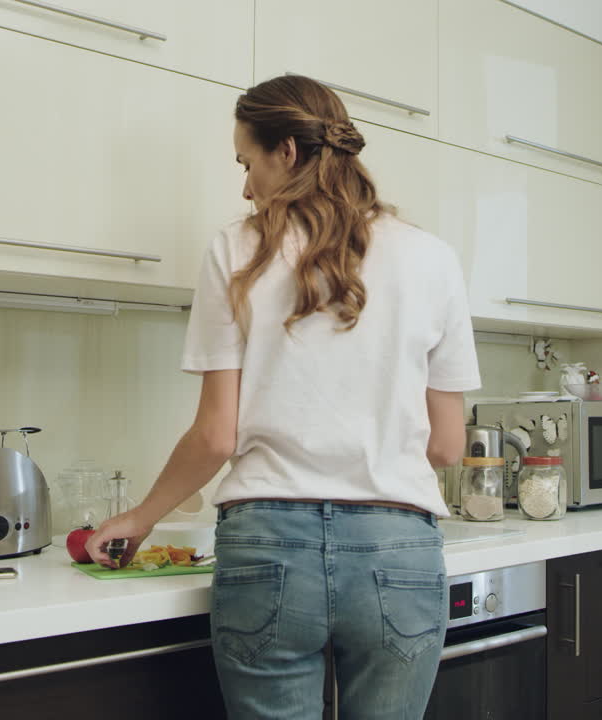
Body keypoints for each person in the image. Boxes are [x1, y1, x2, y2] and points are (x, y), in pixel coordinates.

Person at [86, 74, 481, 720]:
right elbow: (447, 445)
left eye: (248, 162)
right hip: (398, 552)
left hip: (269, 552)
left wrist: (140, 516)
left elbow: (217, 436)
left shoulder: (235, 251)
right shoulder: (433, 259)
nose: (245, 187)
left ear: (288, 153)